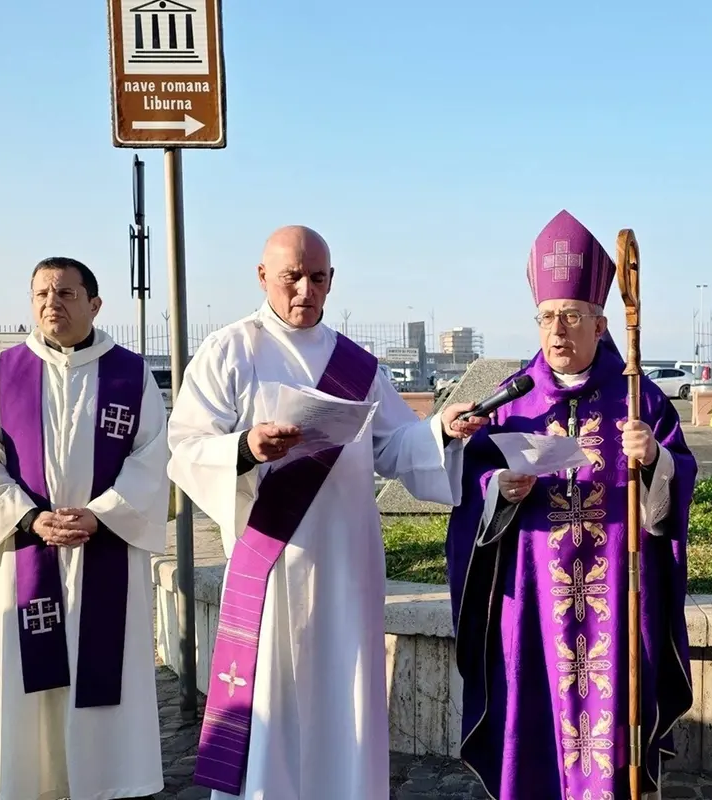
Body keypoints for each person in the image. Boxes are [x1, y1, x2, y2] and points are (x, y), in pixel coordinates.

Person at [167, 225, 486, 800]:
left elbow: (392, 448)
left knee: (343, 695)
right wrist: (246, 448)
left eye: (317, 277)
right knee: (274, 700)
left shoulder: (357, 365)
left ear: (332, 280)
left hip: (345, 561)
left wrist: (440, 429)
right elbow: (186, 446)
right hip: (273, 560)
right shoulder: (230, 350)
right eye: (291, 276)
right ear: (263, 276)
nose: (304, 290)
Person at [445, 209, 698, 800]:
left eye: (572, 317)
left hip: (617, 595)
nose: (558, 330)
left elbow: (675, 491)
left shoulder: (640, 398)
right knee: (530, 719)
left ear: (600, 323)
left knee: (616, 730)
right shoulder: (511, 402)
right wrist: (498, 494)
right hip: (532, 600)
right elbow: (469, 492)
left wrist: (655, 459)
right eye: (547, 318)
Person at [0, 257, 169, 800]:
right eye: (41, 293)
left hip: (107, 548)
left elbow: (152, 457)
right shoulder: (2, 372)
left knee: (106, 669)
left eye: (66, 293)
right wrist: (31, 517)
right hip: (29, 549)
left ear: (95, 304)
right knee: (33, 678)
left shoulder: (130, 372)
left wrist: (103, 513)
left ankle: (109, 781)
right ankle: (35, 781)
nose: (52, 303)